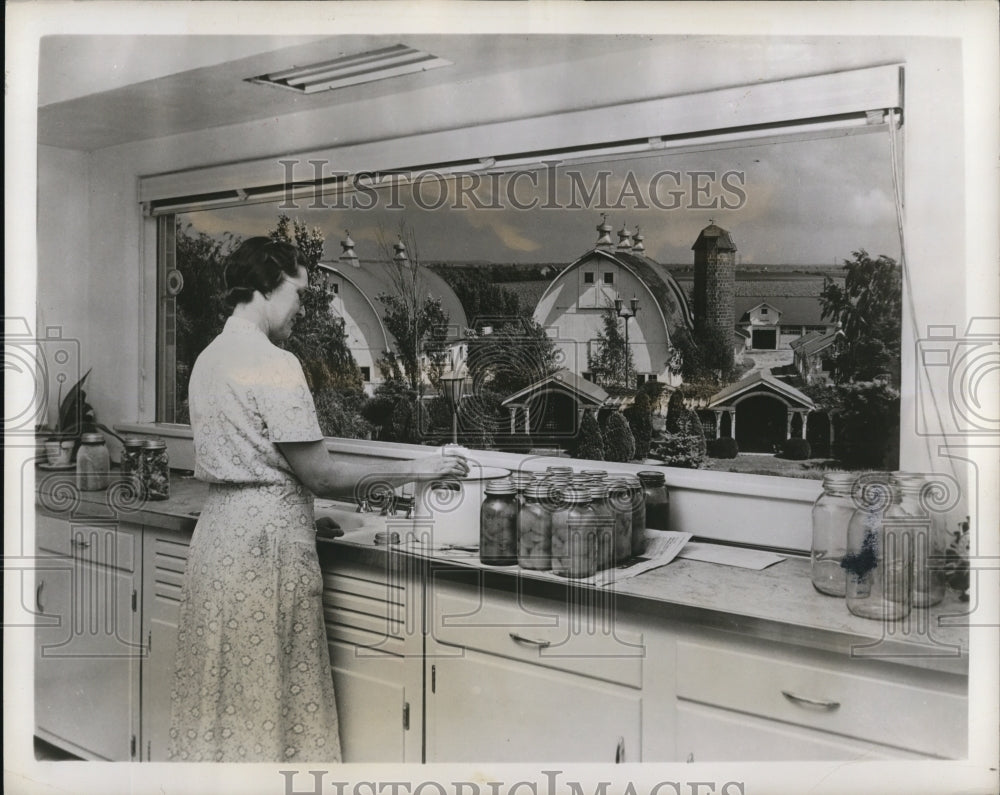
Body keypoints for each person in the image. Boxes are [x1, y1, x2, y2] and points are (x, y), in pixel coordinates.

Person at [168, 237, 468, 762]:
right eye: (299, 294)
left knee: (221, 697)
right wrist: (417, 469)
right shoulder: (274, 363)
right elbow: (322, 476)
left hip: (217, 544)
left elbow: (257, 461)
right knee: (269, 699)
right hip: (266, 557)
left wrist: (300, 519)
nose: (303, 309)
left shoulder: (208, 359)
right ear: (266, 288)